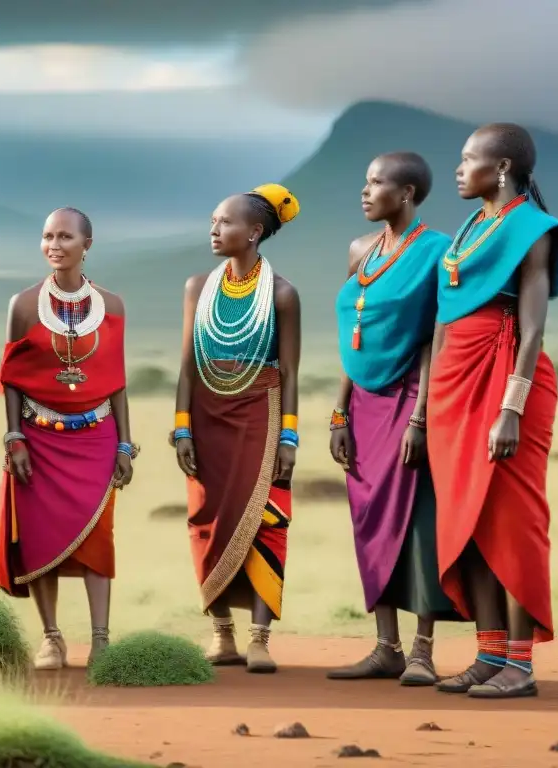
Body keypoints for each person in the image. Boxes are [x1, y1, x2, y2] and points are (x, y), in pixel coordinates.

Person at [429, 123, 558, 699]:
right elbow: (443, 320)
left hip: (506, 378)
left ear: (502, 169)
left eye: (469, 159)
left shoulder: (532, 229)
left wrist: (511, 408)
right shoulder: (469, 228)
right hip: (454, 384)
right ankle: (489, 652)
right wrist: (424, 412)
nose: (459, 169)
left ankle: (520, 663)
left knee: (513, 521)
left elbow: (535, 323)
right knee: (466, 522)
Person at [326, 153, 462, 685]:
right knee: (368, 520)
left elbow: (436, 337)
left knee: (419, 520)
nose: (364, 191)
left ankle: (423, 651)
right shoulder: (360, 250)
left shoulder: (438, 250)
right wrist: (339, 411)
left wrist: (422, 419)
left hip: (411, 399)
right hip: (362, 404)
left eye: (376, 182)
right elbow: (349, 344)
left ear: (406, 193)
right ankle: (386, 647)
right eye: (364, 181)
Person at [0, 207, 136, 671]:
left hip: (96, 438)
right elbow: (12, 378)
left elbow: (115, 380)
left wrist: (124, 444)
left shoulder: (111, 306)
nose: (54, 245)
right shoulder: (23, 304)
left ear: (86, 245)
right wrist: (14, 435)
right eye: (47, 236)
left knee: (99, 538)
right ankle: (51, 638)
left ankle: (101, 641)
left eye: (65, 237)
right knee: (38, 539)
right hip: (39, 437)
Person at [172, 184, 301, 674]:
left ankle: (261, 638)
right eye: (212, 220)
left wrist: (289, 438)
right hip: (205, 415)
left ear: (254, 232)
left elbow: (289, 370)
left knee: (268, 521)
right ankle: (222, 634)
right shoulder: (196, 286)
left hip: (261, 414)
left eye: (224, 222)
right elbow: (187, 364)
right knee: (206, 521)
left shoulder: (283, 294)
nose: (213, 229)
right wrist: (182, 427)